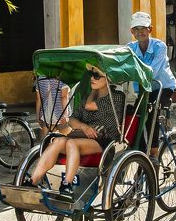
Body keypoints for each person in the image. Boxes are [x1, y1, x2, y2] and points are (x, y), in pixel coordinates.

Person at [27, 65, 125, 197]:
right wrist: (83, 126)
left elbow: (89, 106)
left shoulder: (117, 97)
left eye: (96, 75)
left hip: (104, 140)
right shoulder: (86, 97)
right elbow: (72, 120)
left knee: (71, 143)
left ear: (108, 79)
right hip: (82, 136)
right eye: (91, 74)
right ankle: (32, 181)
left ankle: (66, 185)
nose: (92, 78)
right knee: (57, 141)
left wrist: (92, 92)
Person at [127, 11, 176, 156]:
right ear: (132, 31)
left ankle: (153, 154)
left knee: (150, 114)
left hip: (163, 88)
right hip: (143, 89)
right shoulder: (130, 48)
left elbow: (152, 72)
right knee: (134, 118)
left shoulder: (159, 46)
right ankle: (141, 154)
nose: (140, 32)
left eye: (143, 28)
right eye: (136, 29)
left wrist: (132, 73)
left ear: (150, 29)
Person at [34, 75, 70, 139]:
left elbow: (38, 99)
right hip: (61, 116)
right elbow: (64, 97)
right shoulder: (62, 77)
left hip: (46, 116)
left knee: (48, 142)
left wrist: (37, 116)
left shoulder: (40, 79)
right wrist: (66, 115)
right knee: (66, 140)